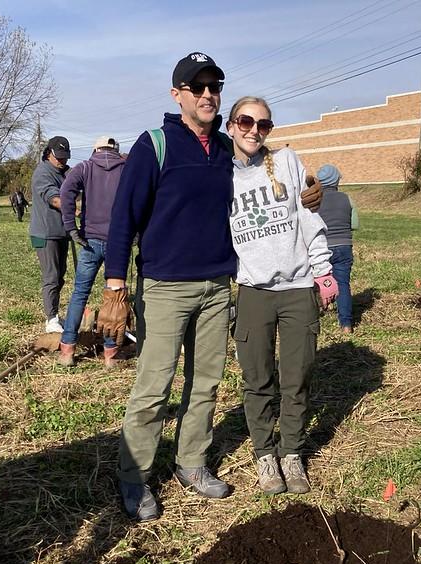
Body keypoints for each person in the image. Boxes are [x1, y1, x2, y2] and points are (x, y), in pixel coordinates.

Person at [99, 52, 323, 522]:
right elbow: (123, 221)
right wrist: (115, 289)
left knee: (205, 383)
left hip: (218, 286)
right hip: (165, 287)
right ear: (177, 93)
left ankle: (191, 462)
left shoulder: (225, 149)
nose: (207, 94)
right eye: (196, 86)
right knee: (154, 386)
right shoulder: (154, 145)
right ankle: (134, 476)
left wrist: (311, 187)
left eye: (214, 86)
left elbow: (272, 165)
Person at [227, 96, 337, 495]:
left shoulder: (288, 162)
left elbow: (310, 218)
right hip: (253, 291)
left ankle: (291, 452)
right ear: (230, 125)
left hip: (297, 290)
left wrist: (324, 273)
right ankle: (264, 455)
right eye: (245, 121)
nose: (254, 130)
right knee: (257, 379)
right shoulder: (220, 177)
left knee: (297, 377)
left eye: (263, 124)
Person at [58, 136, 127, 367]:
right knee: (114, 297)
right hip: (118, 242)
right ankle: (110, 353)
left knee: (80, 293)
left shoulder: (85, 167)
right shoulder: (126, 168)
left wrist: (71, 227)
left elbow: (66, 191)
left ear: (95, 149)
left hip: (90, 239)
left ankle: (67, 350)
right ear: (115, 150)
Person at [29, 136, 71, 334]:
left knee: (60, 275)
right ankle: (51, 318)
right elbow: (54, 199)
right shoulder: (42, 173)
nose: (62, 161)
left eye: (65, 157)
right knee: (51, 276)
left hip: (60, 232)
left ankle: (54, 313)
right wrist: (74, 210)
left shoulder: (64, 172)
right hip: (44, 234)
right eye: (59, 157)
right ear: (48, 153)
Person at [316, 163, 358, 333]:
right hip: (344, 246)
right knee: (343, 284)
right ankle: (346, 325)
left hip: (322, 247)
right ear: (335, 181)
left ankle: (319, 311)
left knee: (319, 281)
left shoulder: (314, 200)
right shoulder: (347, 198)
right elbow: (354, 224)